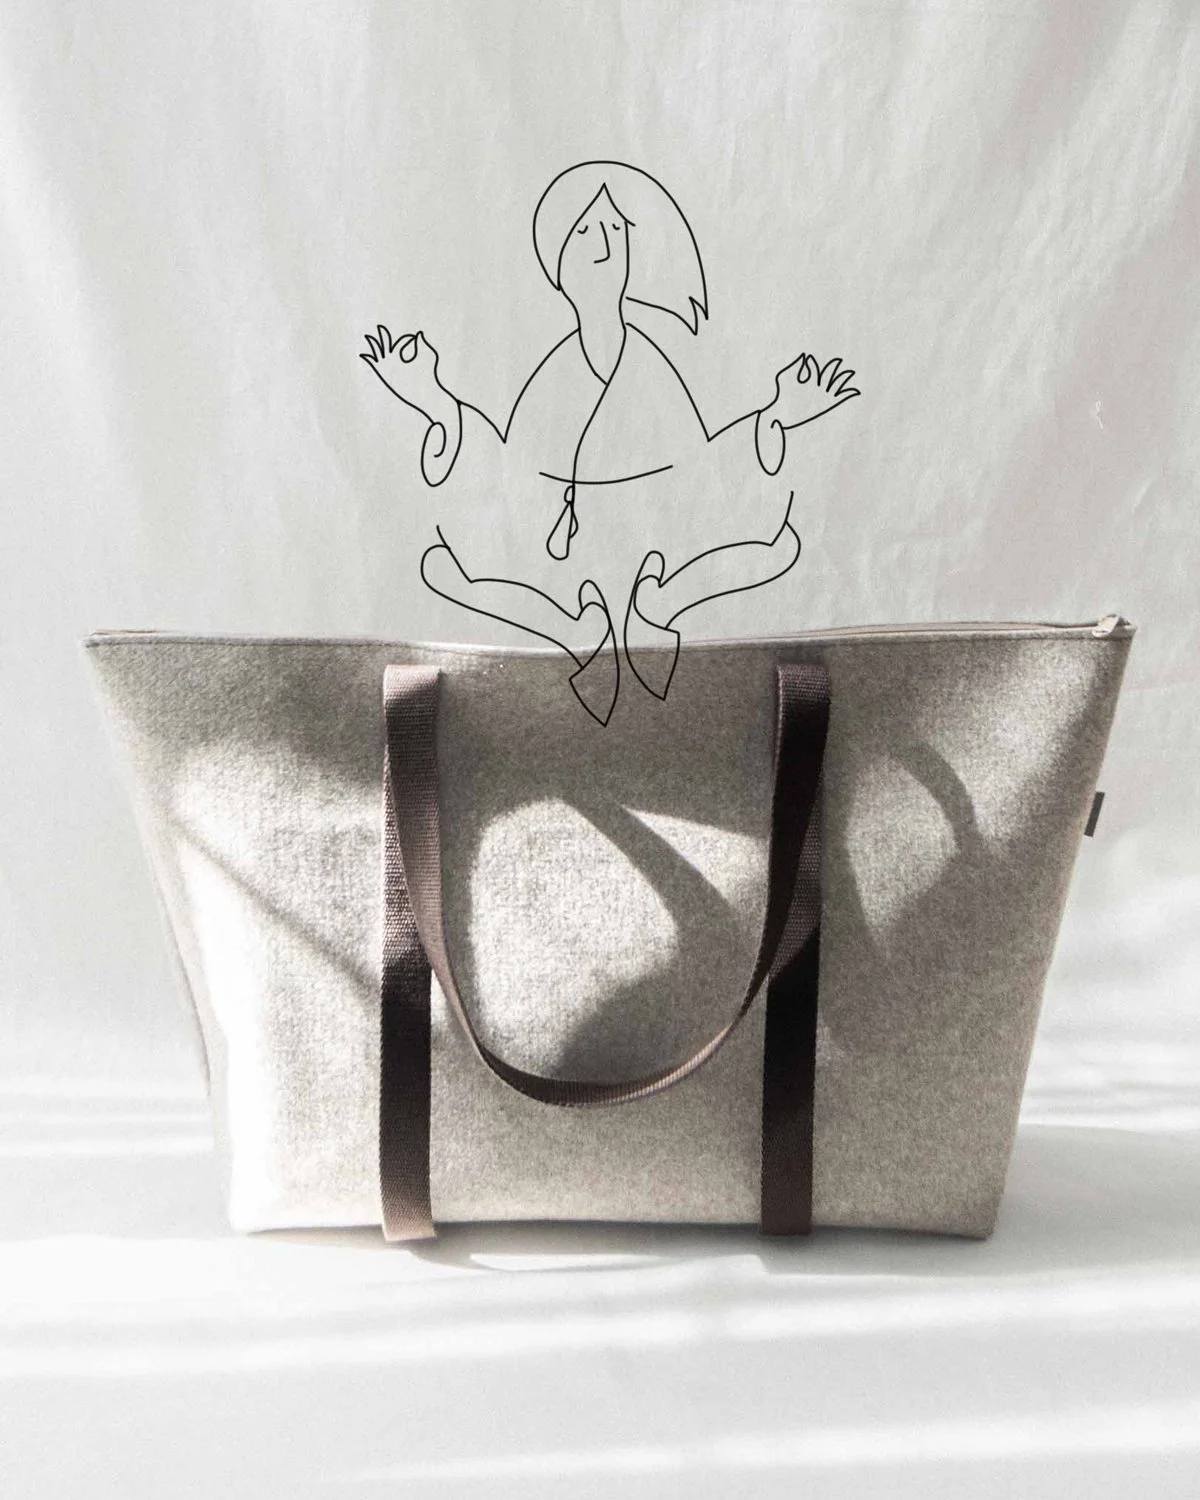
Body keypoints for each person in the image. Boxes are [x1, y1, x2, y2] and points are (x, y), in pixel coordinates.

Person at [362, 161, 859, 724]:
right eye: (584, 231)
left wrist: (776, 418)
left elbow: (705, 468)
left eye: (615, 230)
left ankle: (661, 602)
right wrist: (435, 403)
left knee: (781, 546)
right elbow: (505, 474)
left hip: (661, 535)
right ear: (556, 263)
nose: (603, 246)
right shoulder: (551, 376)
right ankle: (572, 626)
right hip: (559, 549)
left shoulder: (650, 363)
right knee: (443, 567)